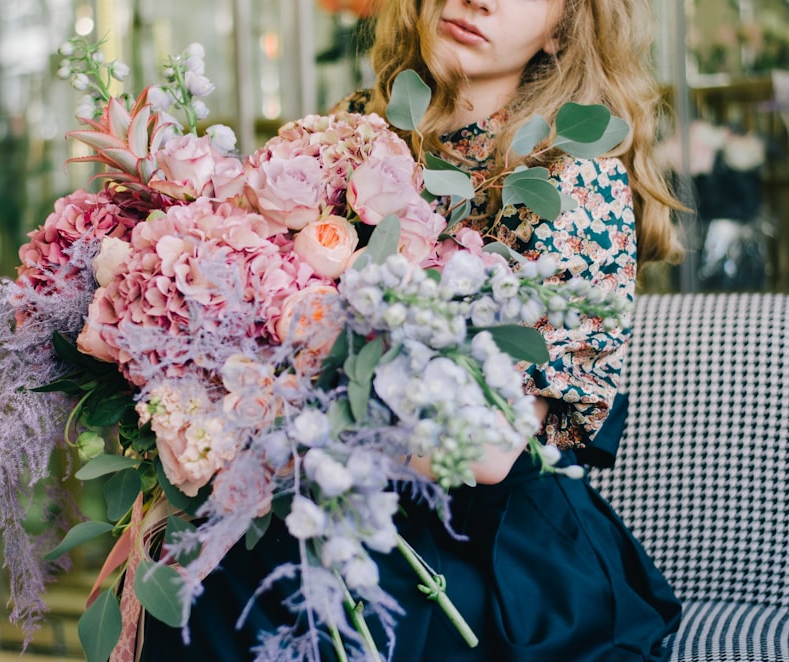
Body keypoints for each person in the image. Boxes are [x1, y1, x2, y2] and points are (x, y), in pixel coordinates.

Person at [140, 0, 683, 659]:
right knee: (194, 564)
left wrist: (269, 406)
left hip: (487, 550)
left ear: (564, 26)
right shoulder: (351, 128)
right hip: (319, 494)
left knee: (294, 599)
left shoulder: (574, 179)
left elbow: (480, 453)